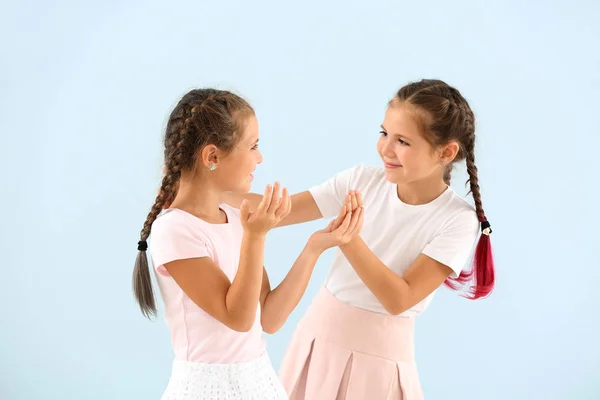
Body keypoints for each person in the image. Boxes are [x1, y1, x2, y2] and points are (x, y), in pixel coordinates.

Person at [223, 79, 495, 399]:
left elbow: (399, 299)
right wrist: (200, 193)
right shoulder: (361, 180)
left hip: (378, 366)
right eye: (384, 134)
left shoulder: (456, 219)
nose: (386, 149)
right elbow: (282, 211)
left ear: (446, 152)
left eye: (403, 142)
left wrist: (349, 238)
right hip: (315, 344)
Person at [132, 88, 364, 399]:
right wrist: (256, 236)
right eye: (253, 146)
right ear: (213, 157)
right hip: (205, 389)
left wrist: (314, 248)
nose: (260, 157)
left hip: (258, 382)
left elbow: (269, 318)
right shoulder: (175, 231)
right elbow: (238, 318)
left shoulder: (234, 217)